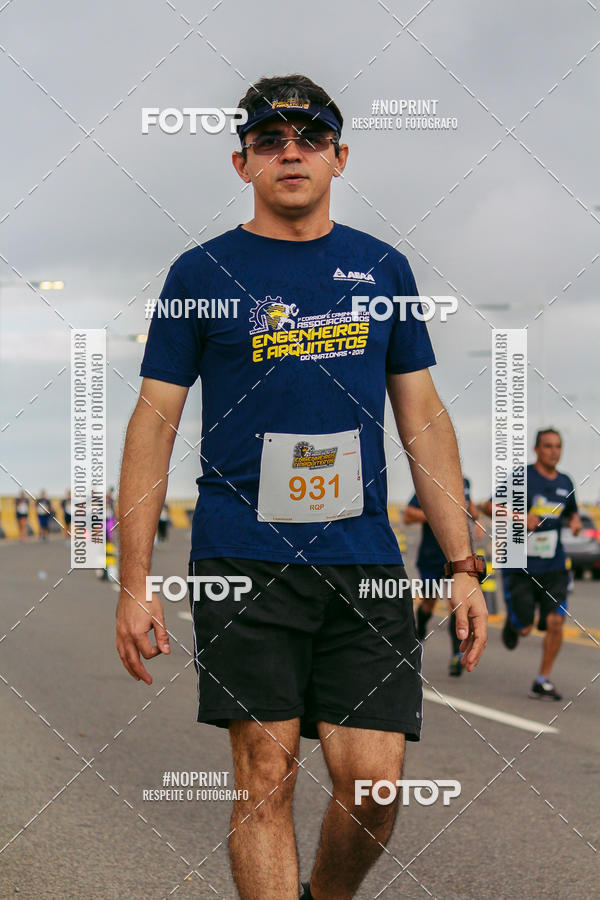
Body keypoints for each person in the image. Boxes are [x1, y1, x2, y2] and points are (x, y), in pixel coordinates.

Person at [116, 73, 488, 900]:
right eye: (270, 140)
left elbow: (423, 417)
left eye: (310, 137)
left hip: (363, 560)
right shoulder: (201, 271)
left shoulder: (381, 267)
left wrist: (465, 567)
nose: (291, 151)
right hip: (245, 560)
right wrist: (133, 583)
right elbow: (153, 426)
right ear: (241, 160)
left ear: (339, 156)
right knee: (265, 780)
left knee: (375, 785)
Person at [483, 429, 582, 700]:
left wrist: (574, 522)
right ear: (536, 449)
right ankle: (515, 625)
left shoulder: (565, 481)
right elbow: (487, 506)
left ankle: (542, 679)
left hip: (555, 567)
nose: (554, 451)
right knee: (526, 628)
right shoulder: (521, 477)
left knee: (555, 622)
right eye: (548, 446)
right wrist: (519, 516)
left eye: (558, 446)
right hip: (521, 567)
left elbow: (573, 512)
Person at [404, 477, 486, 676]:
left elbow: (469, 506)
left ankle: (456, 656)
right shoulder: (431, 480)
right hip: (431, 557)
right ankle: (419, 631)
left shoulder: (464, 482)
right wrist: (438, 513)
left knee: (456, 605)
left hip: (455, 559)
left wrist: (477, 521)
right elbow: (408, 515)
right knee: (428, 603)